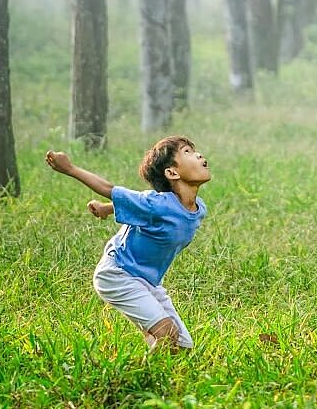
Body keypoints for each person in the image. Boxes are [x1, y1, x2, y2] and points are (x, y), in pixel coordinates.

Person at [45, 137, 211, 351]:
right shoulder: (156, 204)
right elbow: (110, 189)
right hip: (118, 274)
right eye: (187, 152)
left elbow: (141, 209)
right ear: (172, 173)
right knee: (167, 336)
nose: (198, 155)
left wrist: (107, 208)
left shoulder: (199, 209)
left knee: (182, 346)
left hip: (148, 282)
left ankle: (154, 351)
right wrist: (70, 169)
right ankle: (132, 379)